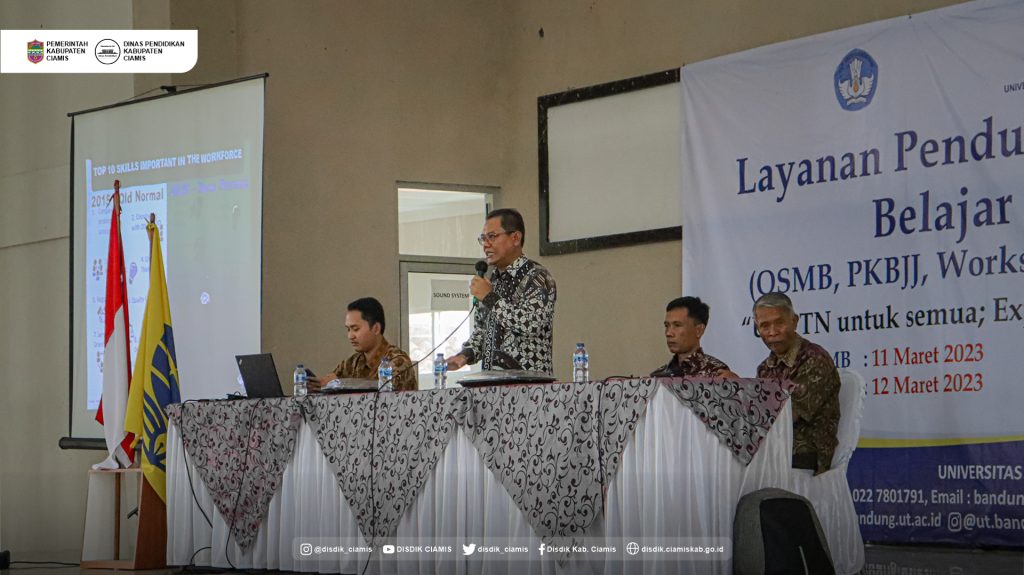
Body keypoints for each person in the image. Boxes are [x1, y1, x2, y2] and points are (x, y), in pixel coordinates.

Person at [446, 208, 556, 374]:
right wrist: (464, 356)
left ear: (515, 238)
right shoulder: (493, 281)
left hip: (529, 384)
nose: (486, 244)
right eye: (483, 238)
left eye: (492, 236)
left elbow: (530, 324)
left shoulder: (537, 277)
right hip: (492, 383)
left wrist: (489, 297)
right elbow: (483, 332)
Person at [753, 292, 840, 475]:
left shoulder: (814, 359)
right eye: (764, 326)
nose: (772, 332)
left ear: (794, 321)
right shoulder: (764, 368)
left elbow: (788, 415)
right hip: (774, 447)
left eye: (779, 323)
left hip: (807, 450)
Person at [310, 297, 417, 392]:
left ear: (376, 328)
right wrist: (318, 385)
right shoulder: (352, 363)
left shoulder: (398, 361)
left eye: (355, 329)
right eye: (348, 329)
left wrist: (339, 383)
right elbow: (331, 382)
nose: (350, 336)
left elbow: (385, 390)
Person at [651, 296, 738, 378]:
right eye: (667, 326)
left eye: (677, 325)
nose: (668, 333)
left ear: (699, 330)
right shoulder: (658, 376)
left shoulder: (716, 373)